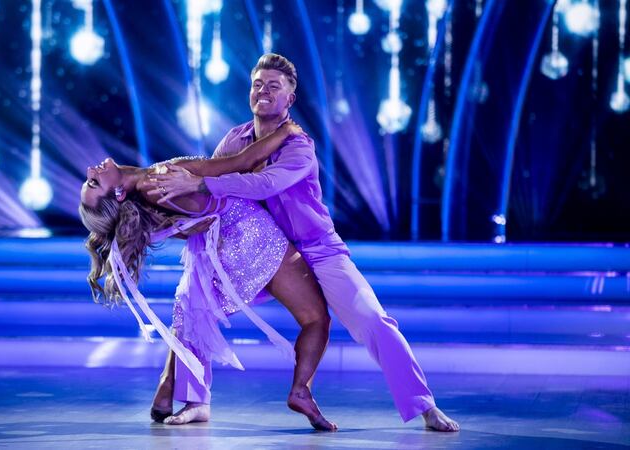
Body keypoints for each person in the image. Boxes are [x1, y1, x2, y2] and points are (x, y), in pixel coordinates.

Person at [145, 53, 460, 432]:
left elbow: (264, 184)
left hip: (317, 251)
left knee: (373, 319)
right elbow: (215, 194)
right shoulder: (236, 139)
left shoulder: (299, 146)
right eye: (258, 84)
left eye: (274, 86)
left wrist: (199, 182)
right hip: (258, 251)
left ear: (289, 99)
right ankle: (195, 401)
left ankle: (424, 406)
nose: (263, 90)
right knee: (192, 299)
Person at [79, 121, 338, 431]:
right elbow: (236, 164)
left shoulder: (148, 197)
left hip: (222, 251)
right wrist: (285, 133)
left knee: (192, 307)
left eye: (89, 180)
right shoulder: (157, 181)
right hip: (253, 235)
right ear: (119, 193)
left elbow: (191, 222)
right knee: (316, 318)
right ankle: (300, 390)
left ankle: (173, 392)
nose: (90, 172)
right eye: (94, 183)